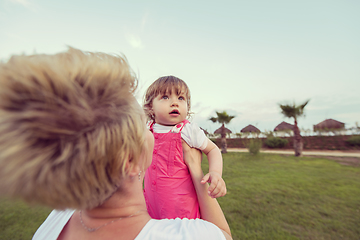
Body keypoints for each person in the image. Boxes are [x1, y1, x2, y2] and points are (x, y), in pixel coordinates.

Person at [0, 48, 232, 240]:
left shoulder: (57, 220)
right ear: (129, 160)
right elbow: (223, 234)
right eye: (139, 124)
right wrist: (195, 168)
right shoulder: (183, 235)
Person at [143, 76, 226, 220]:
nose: (175, 102)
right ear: (150, 107)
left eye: (181, 98)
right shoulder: (147, 130)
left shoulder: (187, 131)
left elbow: (213, 150)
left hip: (181, 212)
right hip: (151, 206)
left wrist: (215, 173)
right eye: (165, 97)